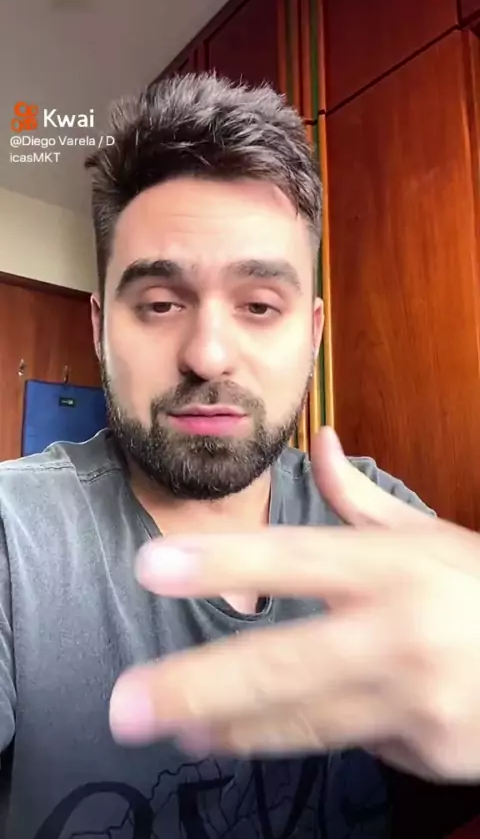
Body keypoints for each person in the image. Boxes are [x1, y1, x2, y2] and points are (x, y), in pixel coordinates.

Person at [0, 73, 479, 839]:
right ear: (99, 328)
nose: (208, 354)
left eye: (258, 305)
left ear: (312, 334)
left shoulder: (379, 524)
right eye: (161, 304)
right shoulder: (13, 535)